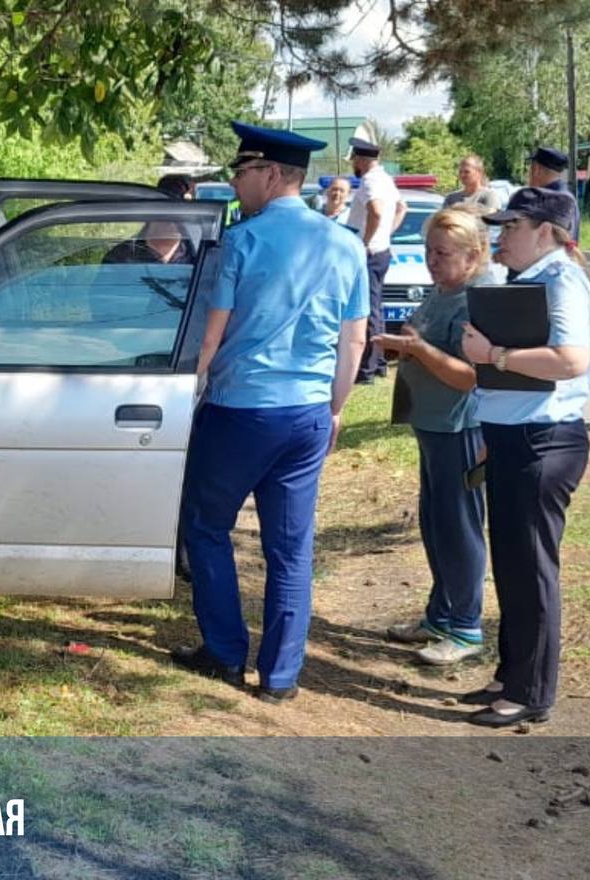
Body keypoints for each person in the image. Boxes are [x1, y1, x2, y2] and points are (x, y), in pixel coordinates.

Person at [173, 121, 369, 703]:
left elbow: (210, 337)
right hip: (307, 412)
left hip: (241, 410)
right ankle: (281, 676)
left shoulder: (244, 241)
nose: (235, 182)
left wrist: (185, 393)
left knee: (206, 526)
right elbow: (354, 342)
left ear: (273, 175)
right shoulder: (345, 243)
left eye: (241, 172)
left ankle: (226, 652)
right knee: (290, 547)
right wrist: (335, 410)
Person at [459, 187, 590, 727]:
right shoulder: (535, 279)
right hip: (518, 437)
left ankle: (532, 691)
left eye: (511, 225)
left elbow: (570, 360)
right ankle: (511, 674)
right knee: (512, 564)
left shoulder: (561, 280)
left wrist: (493, 356)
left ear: (546, 232)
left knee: (531, 568)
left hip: (545, 441)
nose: (501, 236)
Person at [372, 208, 489, 665]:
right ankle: (440, 616)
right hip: (432, 424)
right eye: (428, 251)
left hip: (460, 427)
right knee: (436, 524)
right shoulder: (444, 291)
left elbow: (469, 377)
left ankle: (465, 626)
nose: (431, 260)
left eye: (442, 253)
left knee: (459, 529)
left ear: (472, 255)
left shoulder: (473, 300)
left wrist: (417, 348)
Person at [346, 137, 406, 384]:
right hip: (381, 250)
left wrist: (366, 241)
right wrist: (385, 235)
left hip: (369, 253)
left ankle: (368, 368)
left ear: (359, 159)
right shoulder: (385, 179)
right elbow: (402, 208)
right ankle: (378, 362)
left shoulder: (370, 180)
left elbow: (377, 211)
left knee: (367, 309)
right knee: (376, 307)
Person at [527, 147, 582, 241]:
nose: (528, 175)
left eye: (530, 169)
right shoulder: (564, 196)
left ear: (536, 170)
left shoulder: (551, 199)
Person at [102, 220, 196, 265]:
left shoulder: (198, 255)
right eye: (166, 217)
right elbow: (100, 296)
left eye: (179, 218)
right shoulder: (120, 256)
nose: (175, 223)